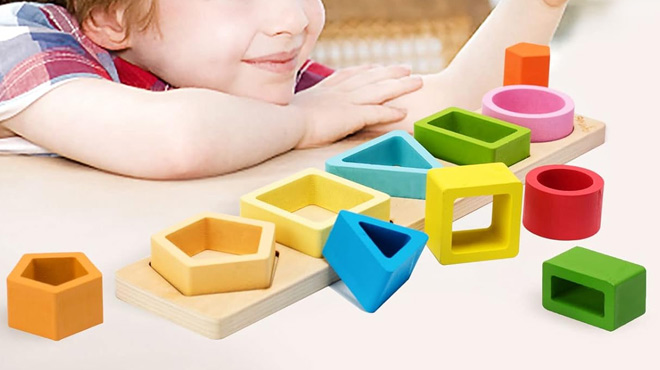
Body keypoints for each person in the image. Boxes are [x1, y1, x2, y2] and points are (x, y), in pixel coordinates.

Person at [0, 0, 569, 179]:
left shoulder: (237, 62)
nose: (292, 19)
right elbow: (175, 138)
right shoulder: (20, 36)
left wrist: (538, 5)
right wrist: (303, 121)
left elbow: (436, 109)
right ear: (112, 17)